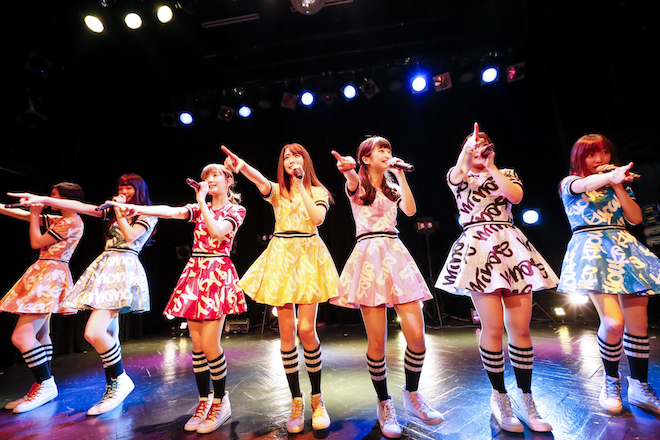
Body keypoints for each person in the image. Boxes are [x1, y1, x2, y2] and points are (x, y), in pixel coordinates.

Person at [435, 123, 557, 433]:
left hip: (510, 245)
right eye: (472, 144)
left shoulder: (507, 173)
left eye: (483, 143)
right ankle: (499, 395)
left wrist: (492, 167)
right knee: (492, 326)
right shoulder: (459, 175)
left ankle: (525, 396)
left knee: (520, 327)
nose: (478, 147)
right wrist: (468, 153)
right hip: (478, 246)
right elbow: (456, 175)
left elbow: (515, 196)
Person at [106, 164, 246, 433]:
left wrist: (201, 202)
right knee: (197, 346)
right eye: (205, 177)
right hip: (195, 271)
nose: (209, 180)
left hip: (217, 272)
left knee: (210, 345)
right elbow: (170, 211)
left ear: (228, 180)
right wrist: (136, 209)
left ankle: (220, 401)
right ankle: (204, 401)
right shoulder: (199, 208)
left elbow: (217, 231)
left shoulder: (235, 210)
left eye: (215, 175)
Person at [9, 173, 158, 416]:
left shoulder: (147, 214)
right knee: (110, 333)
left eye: (129, 187)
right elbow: (80, 207)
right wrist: (40, 199)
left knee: (94, 332)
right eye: (121, 186)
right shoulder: (110, 212)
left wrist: (119, 211)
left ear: (139, 190)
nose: (123, 191)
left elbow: (131, 236)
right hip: (106, 266)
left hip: (124, 267)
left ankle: (120, 380)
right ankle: (113, 385)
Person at [330, 137, 443, 439]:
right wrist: (347, 169)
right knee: (377, 342)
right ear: (365, 159)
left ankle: (412, 394)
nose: (386, 153)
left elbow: (410, 210)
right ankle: (384, 403)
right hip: (368, 256)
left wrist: (400, 175)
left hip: (395, 253)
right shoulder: (358, 185)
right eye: (379, 150)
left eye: (388, 149)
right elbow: (351, 177)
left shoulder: (393, 187)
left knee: (417, 337)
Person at [222, 143, 338, 433]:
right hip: (282, 256)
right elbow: (258, 179)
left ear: (305, 161)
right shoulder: (276, 191)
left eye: (296, 155)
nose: (291, 160)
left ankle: (317, 398)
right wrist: (241, 165)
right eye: (286, 156)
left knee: (307, 330)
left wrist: (300, 186)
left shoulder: (318, 191)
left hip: (309, 255)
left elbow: (317, 219)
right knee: (287, 332)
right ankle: (296, 401)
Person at [557, 134, 660, 415]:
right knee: (613, 323)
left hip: (625, 249)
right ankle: (611, 381)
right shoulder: (570, 182)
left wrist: (618, 185)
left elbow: (635, 219)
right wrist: (610, 176)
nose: (599, 159)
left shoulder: (618, 183)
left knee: (639, 324)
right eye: (591, 154)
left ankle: (639, 386)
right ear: (579, 159)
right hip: (592, 250)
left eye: (603, 153)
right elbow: (584, 185)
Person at [0, 183, 84, 413]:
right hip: (46, 272)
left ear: (65, 198)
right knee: (40, 334)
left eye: (53, 196)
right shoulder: (62, 219)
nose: (49, 199)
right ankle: (42, 385)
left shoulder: (71, 221)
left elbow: (36, 242)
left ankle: (45, 384)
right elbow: (22, 215)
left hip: (49, 275)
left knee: (21, 336)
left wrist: (36, 214)